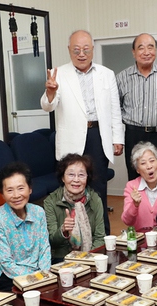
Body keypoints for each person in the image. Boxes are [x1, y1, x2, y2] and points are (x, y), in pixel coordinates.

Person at [40, 30, 124, 231]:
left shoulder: (106, 74)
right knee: (71, 190)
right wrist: (50, 93)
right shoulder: (59, 73)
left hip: (98, 136)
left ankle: (102, 237)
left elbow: (114, 110)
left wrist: (117, 138)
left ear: (92, 50)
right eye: (76, 49)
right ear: (69, 50)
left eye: (86, 49)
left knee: (98, 189)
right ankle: (71, 238)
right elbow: (47, 106)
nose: (81, 54)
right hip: (71, 140)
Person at [116, 33, 157, 180]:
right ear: (133, 52)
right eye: (141, 48)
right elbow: (115, 107)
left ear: (156, 51)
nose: (146, 52)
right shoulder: (122, 78)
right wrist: (128, 117)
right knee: (136, 177)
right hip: (134, 135)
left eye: (150, 47)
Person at [0, 162, 51, 292]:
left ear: (30, 189)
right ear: (2, 194)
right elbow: (6, 263)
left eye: (21, 188)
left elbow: (44, 248)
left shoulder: (38, 212)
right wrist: (34, 279)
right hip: (8, 276)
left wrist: (44, 274)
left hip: (38, 273)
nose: (16, 195)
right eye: (10, 190)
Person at [43, 153, 106, 261]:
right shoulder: (51, 201)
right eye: (71, 175)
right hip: (62, 259)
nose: (76, 180)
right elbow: (51, 241)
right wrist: (63, 230)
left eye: (81, 175)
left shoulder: (95, 199)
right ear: (63, 177)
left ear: (87, 178)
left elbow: (100, 237)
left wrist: (86, 259)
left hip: (90, 257)